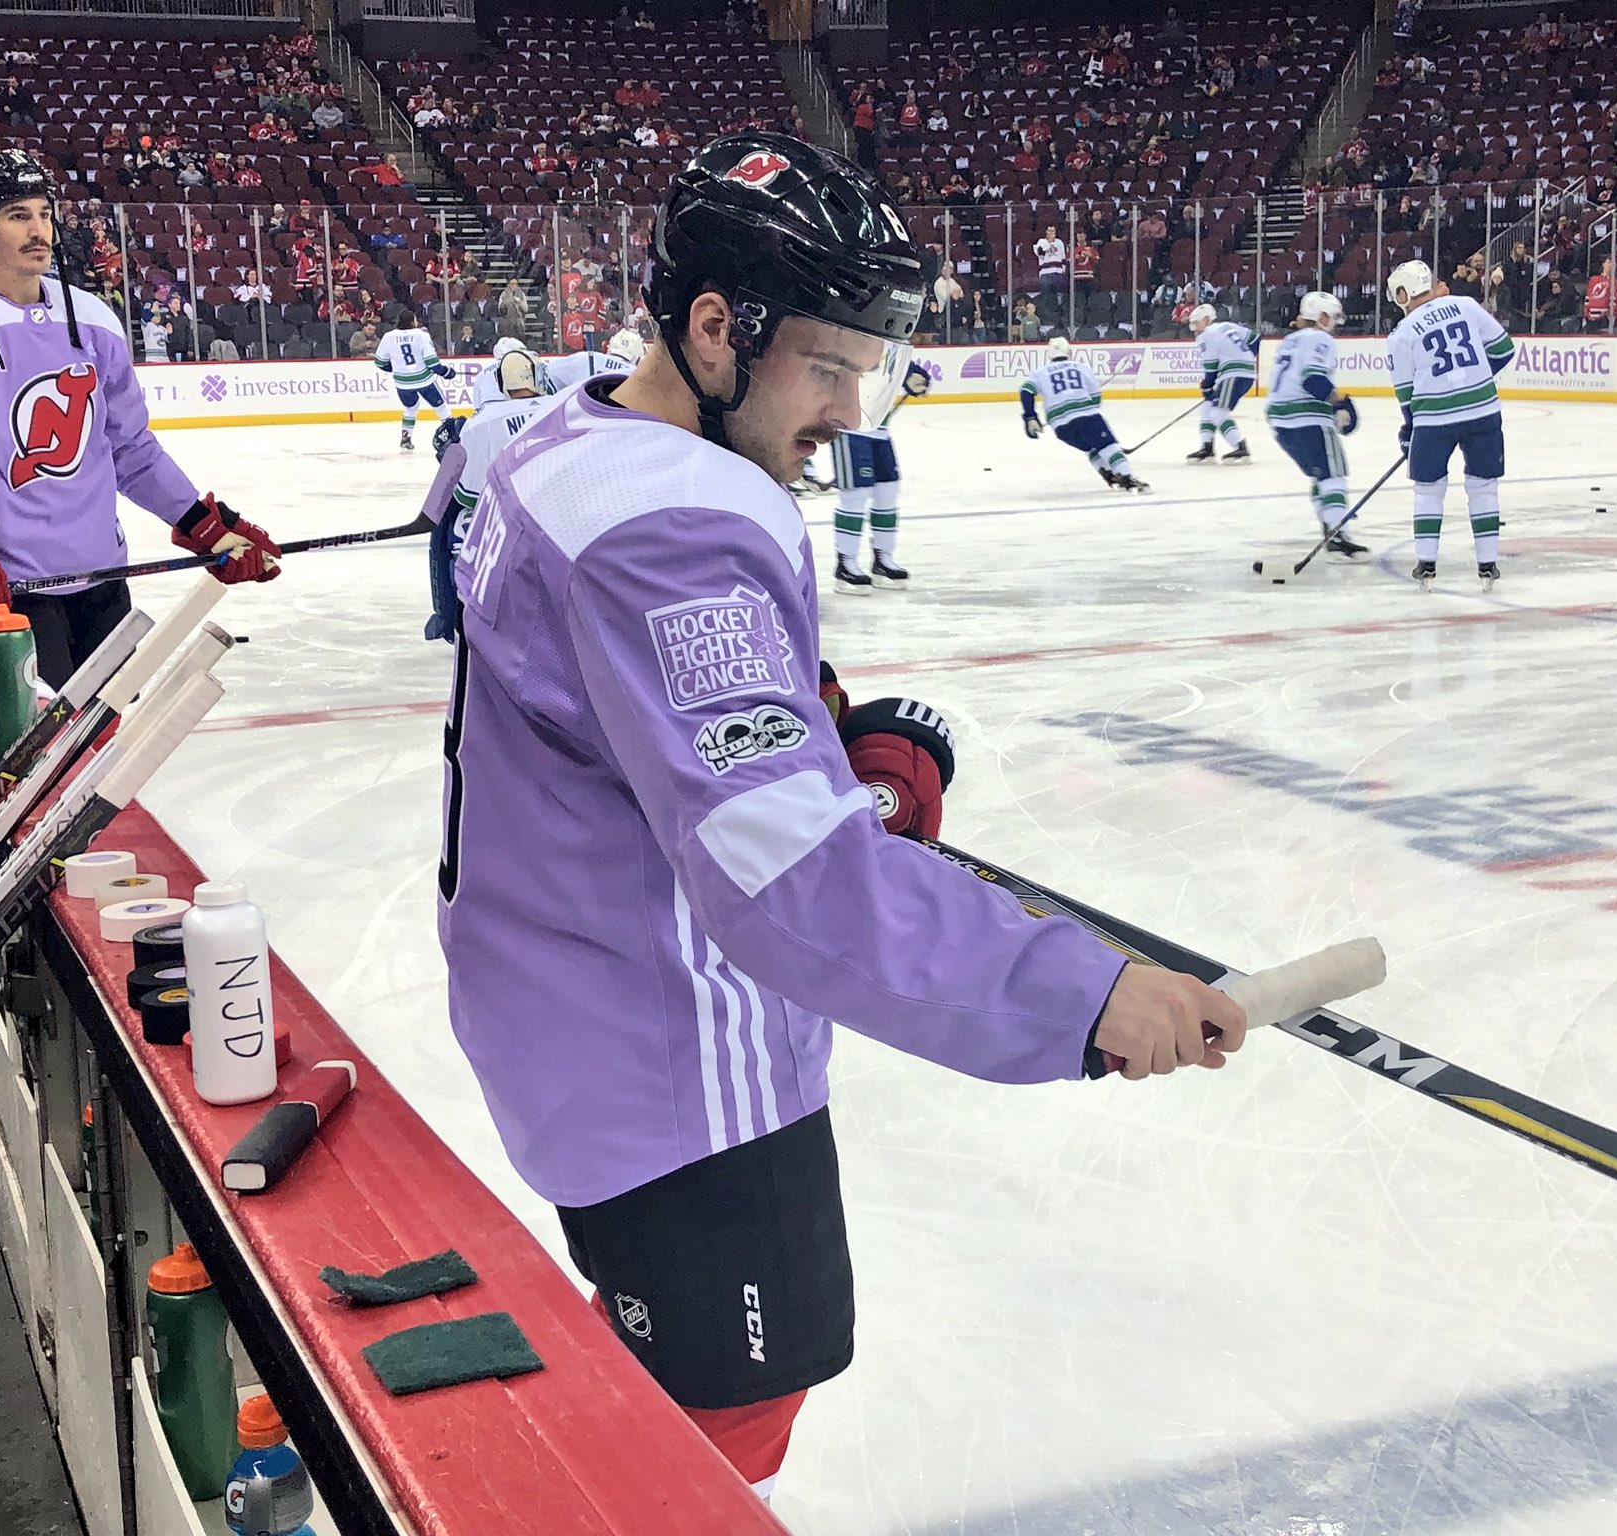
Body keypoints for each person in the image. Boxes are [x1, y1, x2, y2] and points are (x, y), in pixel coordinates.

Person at [435, 131, 1248, 1502]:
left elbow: (630, 724)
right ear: (714, 329)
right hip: (676, 1069)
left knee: (657, 1398)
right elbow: (792, 885)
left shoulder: (569, 438)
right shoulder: (668, 531)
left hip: (571, 1009)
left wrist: (830, 748)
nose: (851, 409)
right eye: (826, 365)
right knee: (716, 1434)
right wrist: (1085, 994)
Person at [0, 150, 277, 684]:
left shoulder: (94, 316)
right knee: (31, 741)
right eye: (18, 216)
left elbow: (130, 448)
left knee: (112, 734)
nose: (39, 231)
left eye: (44, 214)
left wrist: (203, 523)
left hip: (101, 579)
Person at [1385, 260, 1513, 590]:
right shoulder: (1465, 305)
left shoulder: (1401, 334)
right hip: (1483, 410)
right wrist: (1474, 376)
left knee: (1428, 490)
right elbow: (1504, 349)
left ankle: (1427, 565)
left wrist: (1409, 430)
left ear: (1403, 294)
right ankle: (1487, 565)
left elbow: (1406, 395)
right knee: (1484, 487)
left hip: (1434, 418)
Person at [424, 344, 555, 643]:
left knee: (450, 535)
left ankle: (447, 617)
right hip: (557, 529)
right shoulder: (562, 407)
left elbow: (467, 496)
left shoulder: (479, 424)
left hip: (500, 540)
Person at [1265, 291, 1367, 558]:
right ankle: (1337, 532)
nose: (1335, 323)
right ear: (1321, 316)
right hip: (1307, 416)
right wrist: (1338, 401)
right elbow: (1313, 380)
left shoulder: (1290, 340)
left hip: (1279, 420)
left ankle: (1329, 522)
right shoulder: (1320, 338)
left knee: (1320, 474)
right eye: (1332, 316)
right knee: (1333, 475)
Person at [830, 361, 929, 595]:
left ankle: (883, 560)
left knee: (888, 490)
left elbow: (898, 366)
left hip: (880, 431)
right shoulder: (852, 346)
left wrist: (914, 377)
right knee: (856, 494)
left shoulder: (888, 348)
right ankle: (846, 564)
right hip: (850, 428)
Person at [1021, 337, 1148, 491]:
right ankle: (1127, 478)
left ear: (1049, 354)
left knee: (1090, 448)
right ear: (1068, 351)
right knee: (1108, 446)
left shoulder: (1039, 373)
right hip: (1087, 418)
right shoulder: (1081, 368)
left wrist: (1030, 417)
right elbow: (1096, 399)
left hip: (1060, 427)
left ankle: (1108, 474)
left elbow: (1026, 391)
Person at [1186, 303, 1258, 464]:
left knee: (1217, 413)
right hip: (1238, 373)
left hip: (1234, 375)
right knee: (1207, 408)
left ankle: (1241, 448)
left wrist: (1207, 387)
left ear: (1206, 320)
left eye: (1196, 323)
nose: (1195, 328)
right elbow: (1255, 338)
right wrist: (1248, 357)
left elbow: (1211, 367)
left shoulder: (1206, 335)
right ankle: (1207, 448)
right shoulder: (1228, 326)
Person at [374, 319, 456, 451]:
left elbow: (379, 362)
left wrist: (397, 368)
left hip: (402, 383)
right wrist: (446, 372)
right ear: (412, 321)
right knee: (441, 408)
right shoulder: (421, 335)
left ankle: (406, 439)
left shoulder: (388, 336)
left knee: (410, 409)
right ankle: (453, 435)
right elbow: (433, 363)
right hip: (423, 380)